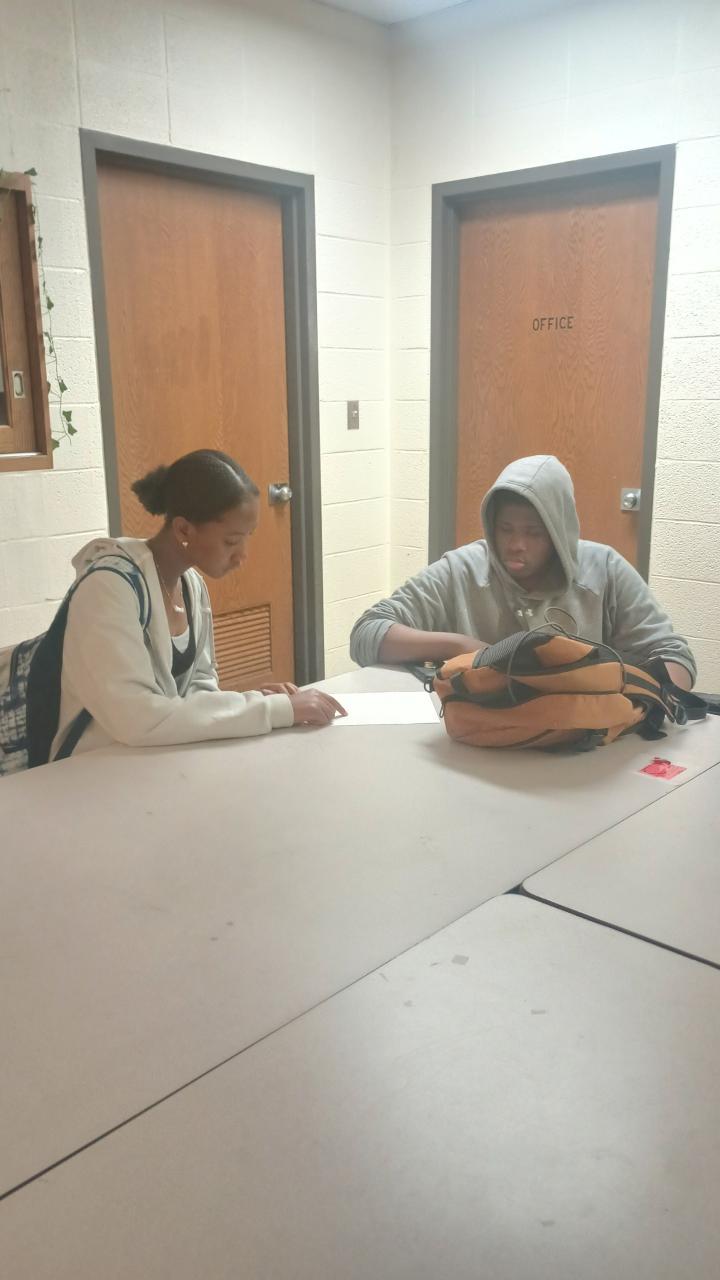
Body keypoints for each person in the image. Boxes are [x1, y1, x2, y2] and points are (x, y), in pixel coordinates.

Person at [51, 449, 345, 759]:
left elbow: (200, 689)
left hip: (157, 761)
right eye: (231, 541)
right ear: (183, 530)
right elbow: (137, 718)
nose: (242, 555)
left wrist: (248, 702)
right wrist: (272, 711)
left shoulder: (191, 585)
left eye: (248, 537)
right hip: (92, 767)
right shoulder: (108, 587)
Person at [350, 455, 695, 690]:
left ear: (558, 534)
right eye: (506, 530)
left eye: (534, 534)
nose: (517, 545)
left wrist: (641, 700)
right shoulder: (461, 569)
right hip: (485, 739)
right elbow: (367, 634)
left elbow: (673, 656)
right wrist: (462, 646)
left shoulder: (604, 568)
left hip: (583, 741)